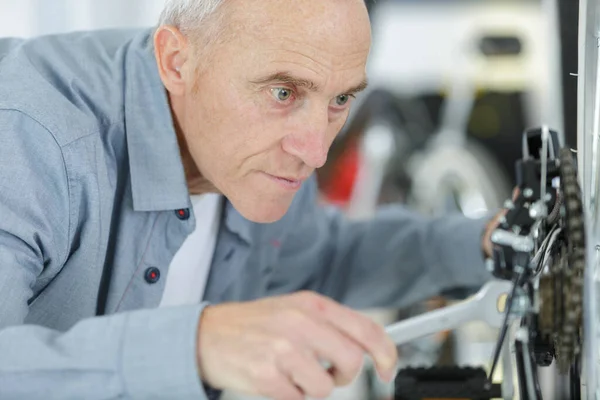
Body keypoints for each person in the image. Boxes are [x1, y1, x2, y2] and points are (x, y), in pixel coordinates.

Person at [0, 0, 503, 399]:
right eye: (282, 93)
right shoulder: (29, 139)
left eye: (340, 100)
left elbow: (320, 258)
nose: (316, 151)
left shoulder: (252, 155)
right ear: (177, 61)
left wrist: (484, 243)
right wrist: (197, 343)